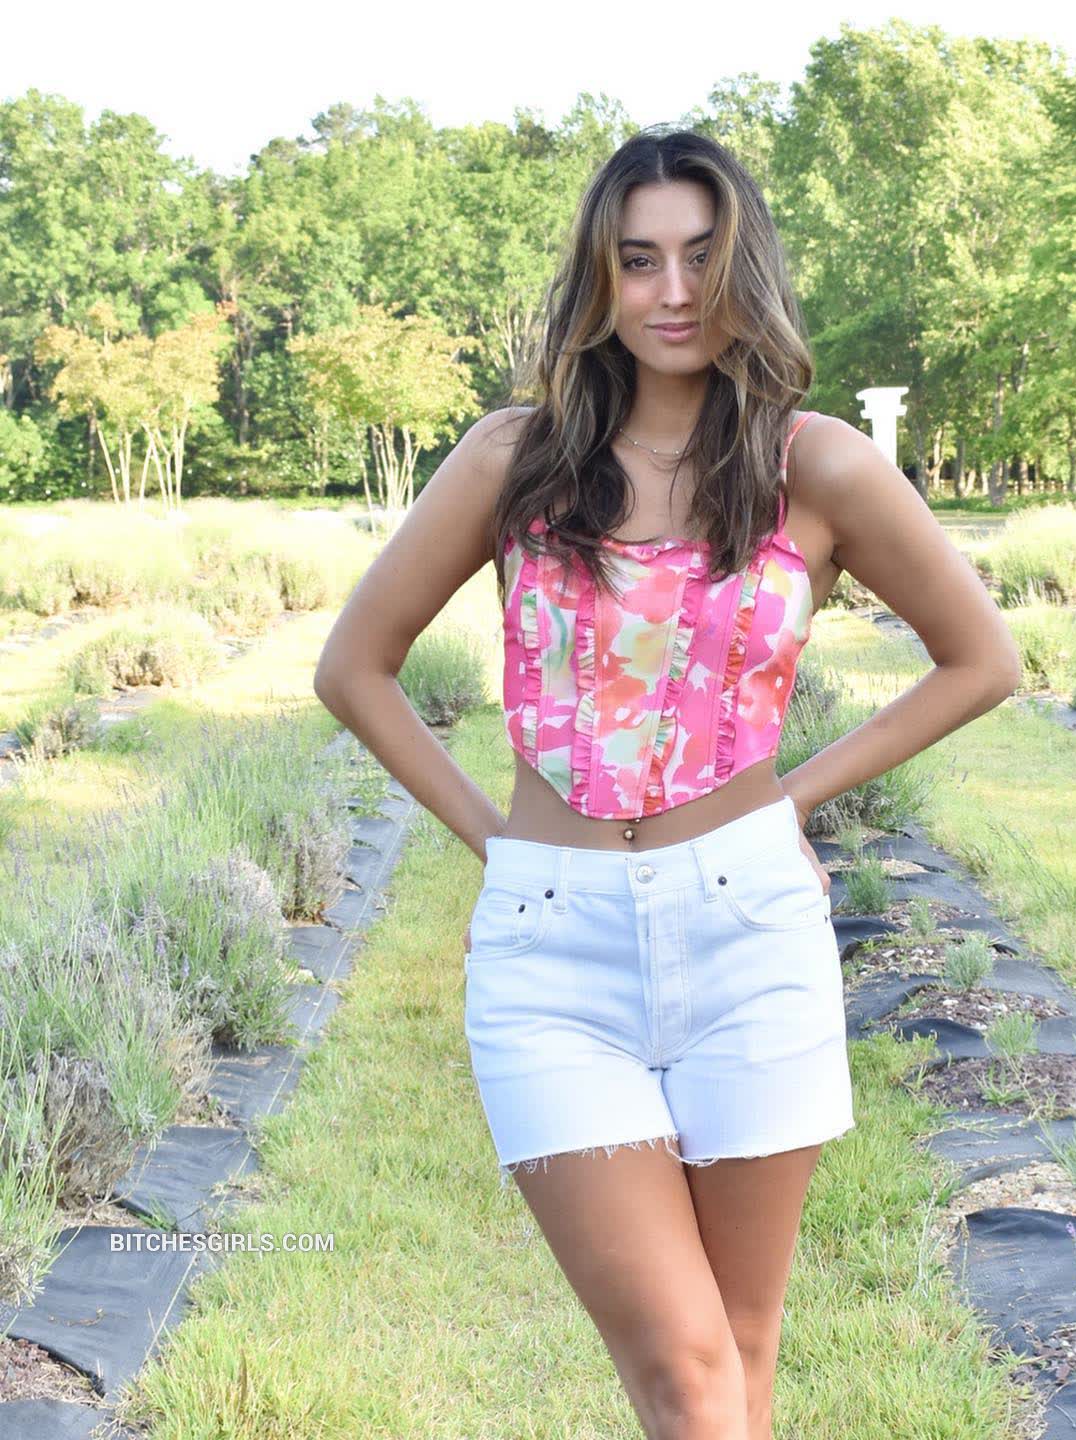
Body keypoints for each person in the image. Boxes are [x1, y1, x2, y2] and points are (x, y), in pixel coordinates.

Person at [313, 124, 1021, 1440]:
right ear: (601, 280)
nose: (674, 290)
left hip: (749, 931)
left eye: (702, 256)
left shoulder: (814, 464)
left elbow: (983, 660)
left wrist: (791, 801)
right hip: (552, 956)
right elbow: (355, 669)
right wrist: (497, 845)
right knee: (688, 1368)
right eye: (639, 261)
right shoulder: (513, 461)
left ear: (745, 270)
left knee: (740, 1352)